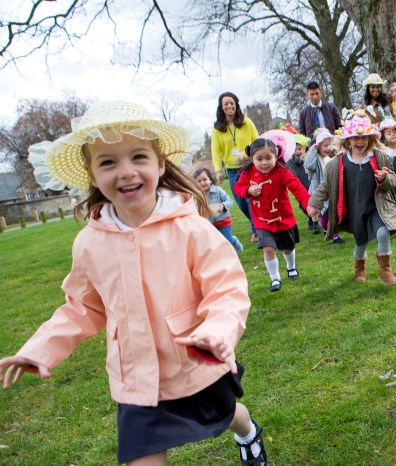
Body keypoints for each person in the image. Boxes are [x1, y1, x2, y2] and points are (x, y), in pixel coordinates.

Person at [6, 101, 268, 466]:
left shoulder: (189, 228)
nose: (126, 172)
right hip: (136, 379)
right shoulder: (89, 243)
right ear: (91, 173)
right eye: (108, 162)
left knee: (226, 416)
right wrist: (40, 348)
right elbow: (82, 307)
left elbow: (226, 288)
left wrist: (217, 331)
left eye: (138, 157)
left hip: (195, 363)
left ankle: (246, 429)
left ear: (160, 164)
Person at [307, 113, 396, 285]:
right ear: (347, 140)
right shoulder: (338, 163)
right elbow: (326, 186)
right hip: (353, 210)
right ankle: (359, 268)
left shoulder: (380, 158)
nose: (360, 141)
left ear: (370, 139)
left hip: (376, 207)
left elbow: (393, 180)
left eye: (364, 137)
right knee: (361, 241)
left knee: (383, 232)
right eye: (356, 138)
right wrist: (314, 202)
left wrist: (384, 179)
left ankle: (385, 269)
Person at [234, 138, 311, 292]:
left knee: (287, 248)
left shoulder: (282, 171)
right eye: (259, 159)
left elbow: (297, 188)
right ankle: (275, 278)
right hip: (262, 221)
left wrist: (308, 203)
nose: (264, 163)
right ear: (252, 158)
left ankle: (291, 267)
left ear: (276, 157)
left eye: (269, 158)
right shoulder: (248, 173)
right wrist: (248, 191)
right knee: (268, 248)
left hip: (283, 218)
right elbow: (238, 187)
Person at [211, 92, 260, 242]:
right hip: (232, 170)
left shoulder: (247, 122)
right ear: (221, 107)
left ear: (236, 104)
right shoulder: (218, 129)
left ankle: (256, 229)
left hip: (248, 166)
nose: (229, 106)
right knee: (240, 200)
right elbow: (216, 151)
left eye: (231, 103)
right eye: (226, 103)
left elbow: (256, 141)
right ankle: (256, 223)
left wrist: (248, 156)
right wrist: (218, 170)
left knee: (249, 198)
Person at [304, 128, 345, 243]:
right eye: (325, 145)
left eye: (330, 145)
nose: (328, 148)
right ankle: (328, 229)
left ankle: (332, 232)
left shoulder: (328, 158)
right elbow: (309, 165)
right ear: (318, 147)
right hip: (319, 191)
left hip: (330, 189)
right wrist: (312, 150)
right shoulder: (315, 159)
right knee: (325, 213)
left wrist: (337, 152)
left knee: (332, 211)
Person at [193, 167, 245, 254]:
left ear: (210, 180)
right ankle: (223, 256)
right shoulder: (198, 195)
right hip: (210, 223)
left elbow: (230, 201)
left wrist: (223, 206)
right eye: (199, 181)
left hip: (223, 220)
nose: (202, 183)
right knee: (215, 242)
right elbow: (197, 208)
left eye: (204, 179)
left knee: (227, 240)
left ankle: (234, 241)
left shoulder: (218, 190)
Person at [287, 134, 314, 231]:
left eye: (299, 149)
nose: (298, 151)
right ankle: (310, 218)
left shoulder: (307, 159)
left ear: (304, 149)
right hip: (298, 187)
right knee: (303, 206)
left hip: (310, 186)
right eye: (295, 149)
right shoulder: (290, 163)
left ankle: (314, 222)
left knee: (313, 203)